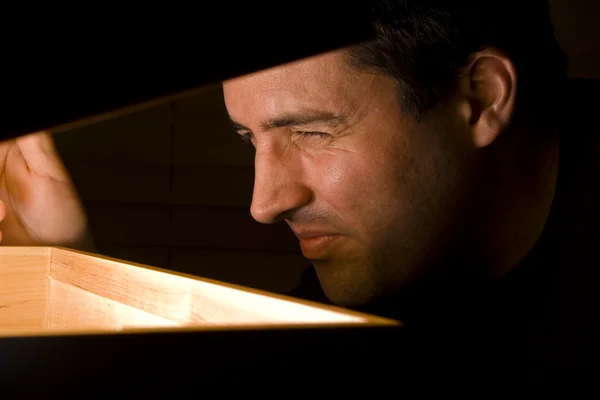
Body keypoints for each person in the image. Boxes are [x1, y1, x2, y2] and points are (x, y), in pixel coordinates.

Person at [0, 0, 597, 387]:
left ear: (483, 98)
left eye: (312, 131)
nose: (264, 204)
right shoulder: (382, 259)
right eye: (247, 138)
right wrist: (64, 268)